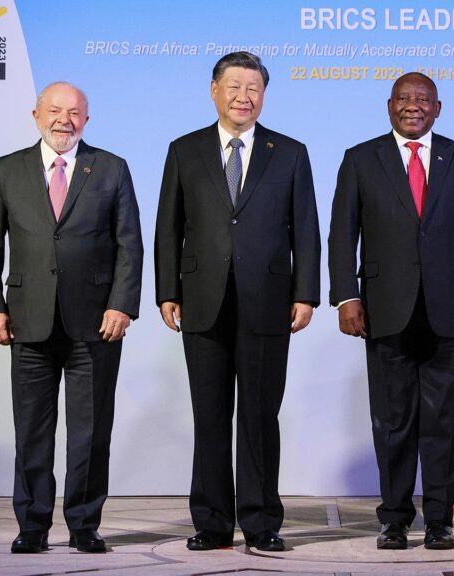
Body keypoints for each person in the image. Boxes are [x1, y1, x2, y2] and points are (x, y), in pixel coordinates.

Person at [154, 51, 320, 553]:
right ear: (214, 90)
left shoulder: (289, 151)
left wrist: (306, 293)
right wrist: (166, 291)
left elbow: (306, 231)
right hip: (202, 300)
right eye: (234, 86)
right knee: (209, 416)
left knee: (259, 416)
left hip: (268, 301)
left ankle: (261, 520)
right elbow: (168, 227)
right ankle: (211, 522)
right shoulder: (184, 150)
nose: (244, 96)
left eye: (253, 88)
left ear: (264, 95)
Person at [328, 72, 454, 550]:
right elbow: (342, 235)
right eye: (403, 99)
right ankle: (394, 518)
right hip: (384, 311)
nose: (413, 106)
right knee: (392, 419)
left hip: (453, 311)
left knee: (446, 421)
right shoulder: (361, 159)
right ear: (389, 106)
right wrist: (346, 296)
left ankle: (441, 519)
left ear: (438, 108)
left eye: (422, 99)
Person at [0, 81, 144, 554]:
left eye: (74, 112)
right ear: (36, 115)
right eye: (54, 110)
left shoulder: (110, 168)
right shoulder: (7, 170)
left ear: (86, 120)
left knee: (91, 434)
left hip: (96, 324)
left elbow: (129, 243)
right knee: (31, 431)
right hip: (27, 322)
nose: (63, 120)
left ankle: (85, 526)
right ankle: (31, 526)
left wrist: (121, 304)